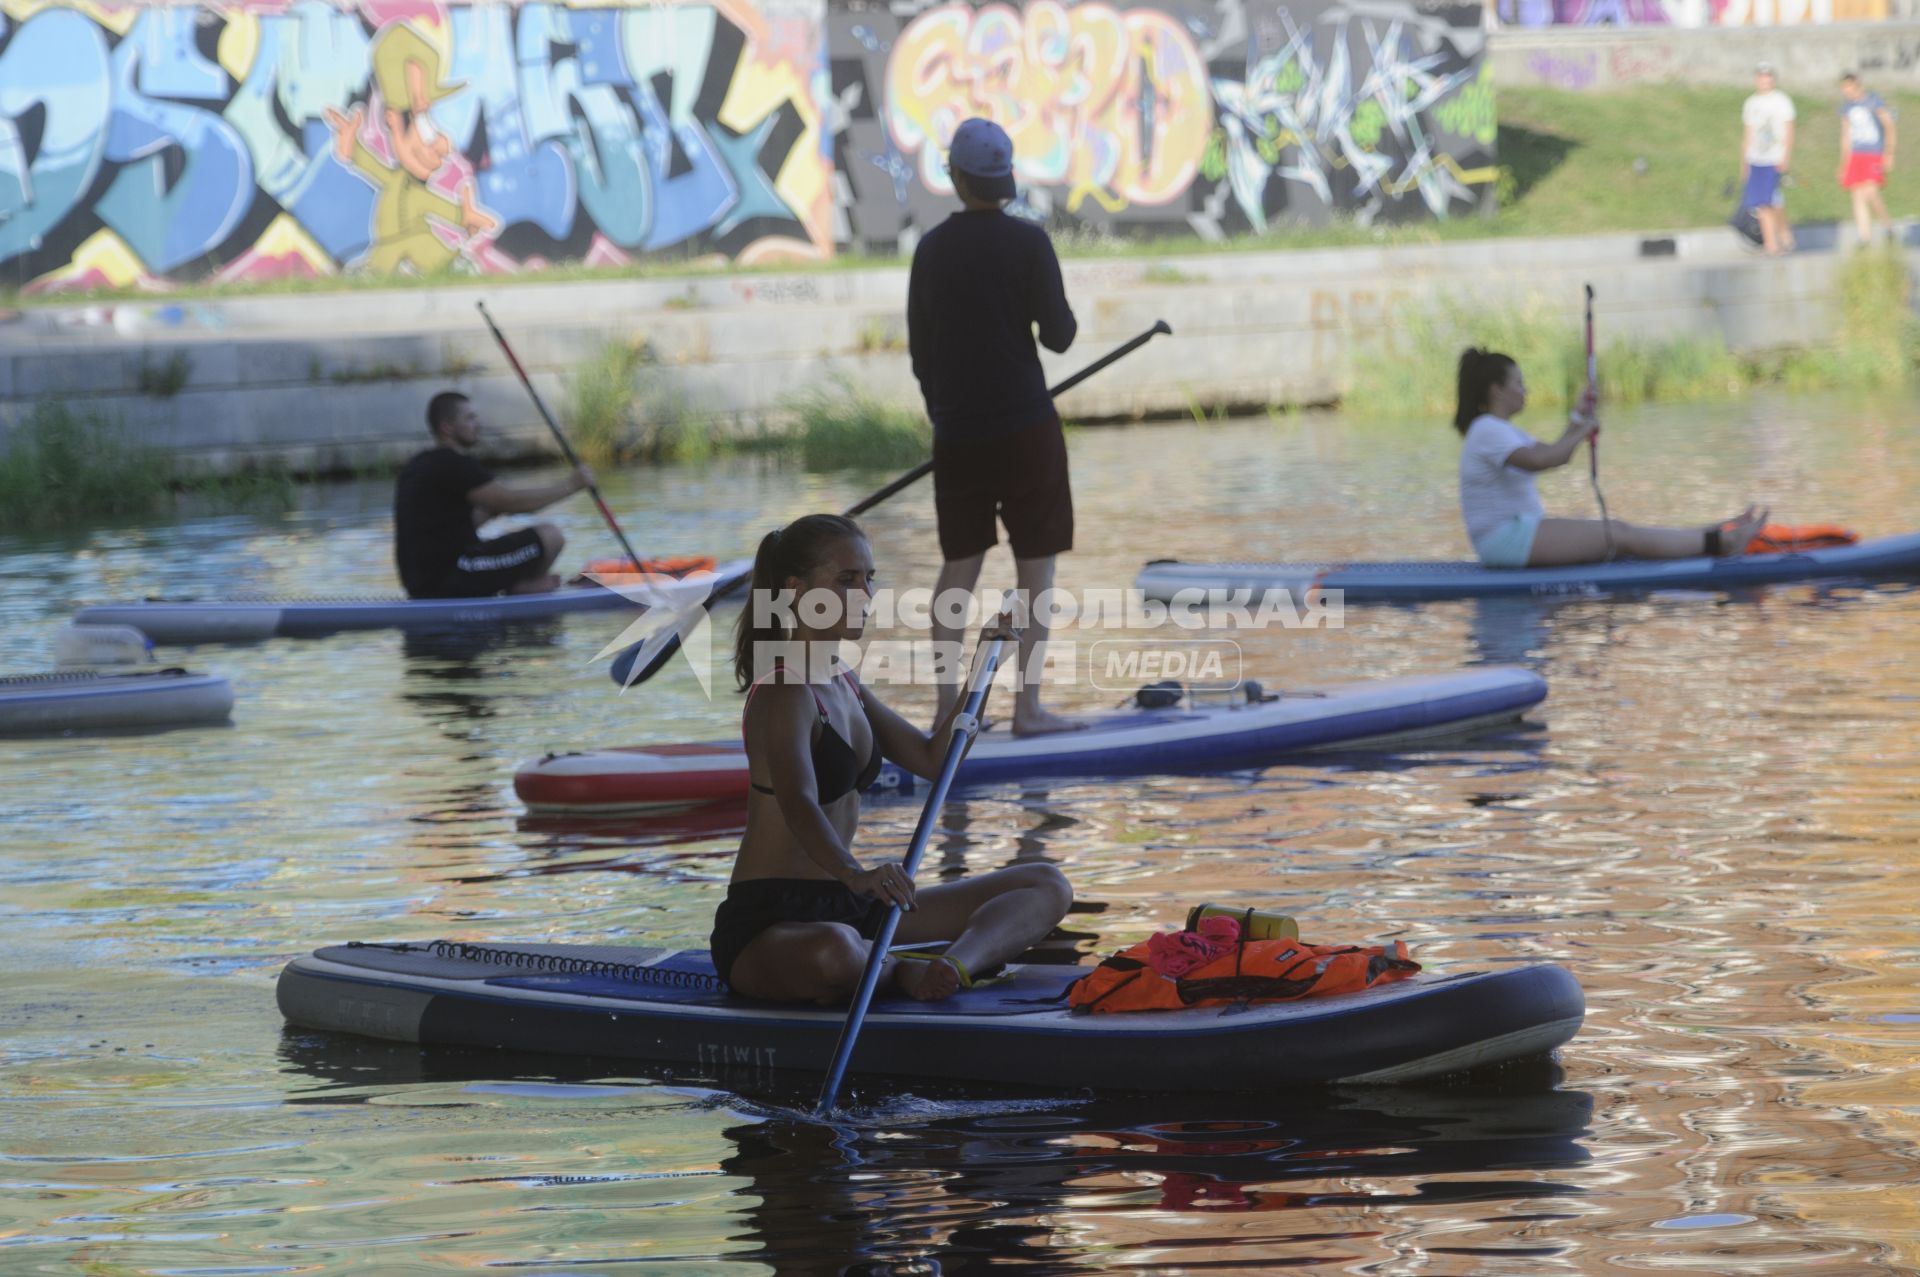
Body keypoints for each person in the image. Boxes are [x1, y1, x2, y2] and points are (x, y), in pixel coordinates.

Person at [714, 513, 1074, 1005]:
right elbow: (799, 802)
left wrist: (980, 675)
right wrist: (855, 873)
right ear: (795, 590)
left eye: (869, 578)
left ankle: (952, 965)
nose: (865, 593)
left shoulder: (844, 681)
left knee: (1045, 883)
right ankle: (899, 968)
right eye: (846, 580)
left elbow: (934, 760)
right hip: (773, 922)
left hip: (851, 903)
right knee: (836, 953)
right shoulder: (782, 689)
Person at [907, 117, 1081, 736]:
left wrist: (947, 417)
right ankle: (1028, 710)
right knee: (1036, 568)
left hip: (957, 436)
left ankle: (946, 707)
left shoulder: (930, 250)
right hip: (1026, 430)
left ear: (956, 178)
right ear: (1003, 179)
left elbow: (921, 355)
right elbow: (1059, 337)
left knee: (960, 566)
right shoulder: (1029, 244)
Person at [1454, 349, 1767, 568]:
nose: (1526, 390)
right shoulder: (1487, 430)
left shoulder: (1499, 430)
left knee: (1622, 532)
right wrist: (1584, 430)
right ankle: (1721, 545)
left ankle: (1713, 533)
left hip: (1517, 534)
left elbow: (1553, 449)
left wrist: (1578, 415)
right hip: (1506, 541)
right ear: (1496, 390)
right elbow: (1546, 459)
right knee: (1618, 534)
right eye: (1519, 383)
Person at [393, 391, 591, 598]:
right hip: (450, 577)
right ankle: (525, 586)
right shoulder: (453, 463)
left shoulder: (418, 464)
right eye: (469, 418)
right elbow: (508, 500)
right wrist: (572, 485)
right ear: (447, 427)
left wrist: (493, 510)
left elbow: (451, 526)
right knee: (551, 536)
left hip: (420, 581)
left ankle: (524, 584)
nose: (477, 423)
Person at [1740, 62, 1797, 257]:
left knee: (1774, 200)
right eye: (1761, 76)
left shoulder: (1781, 101)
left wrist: (1785, 156)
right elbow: (1748, 134)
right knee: (1761, 202)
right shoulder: (1751, 103)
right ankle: (1771, 243)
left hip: (1774, 156)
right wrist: (1744, 161)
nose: (1765, 80)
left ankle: (1785, 235)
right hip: (1756, 158)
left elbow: (1789, 130)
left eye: (1768, 76)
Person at [1838, 72, 1897, 246]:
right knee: (1857, 194)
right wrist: (1843, 163)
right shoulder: (1846, 108)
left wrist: (1889, 153)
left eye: (1850, 88)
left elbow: (1889, 126)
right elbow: (1846, 136)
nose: (1847, 92)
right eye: (1844, 89)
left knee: (1871, 192)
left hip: (1874, 152)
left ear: (1857, 85)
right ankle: (1864, 237)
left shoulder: (1873, 101)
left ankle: (1887, 225)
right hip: (1856, 154)